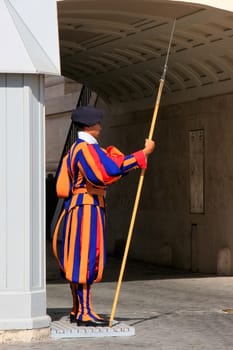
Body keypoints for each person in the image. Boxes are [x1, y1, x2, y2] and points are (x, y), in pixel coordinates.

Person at [52, 106, 155, 326]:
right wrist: (141, 155)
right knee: (86, 258)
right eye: (97, 122)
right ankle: (84, 312)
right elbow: (105, 173)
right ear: (90, 126)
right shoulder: (85, 149)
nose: (100, 125)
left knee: (79, 257)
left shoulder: (75, 149)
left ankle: (78, 308)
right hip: (86, 208)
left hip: (80, 206)